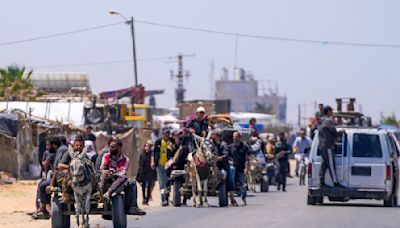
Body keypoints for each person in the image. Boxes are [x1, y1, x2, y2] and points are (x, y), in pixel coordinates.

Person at [99, 138, 146, 215]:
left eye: (112, 147)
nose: (110, 148)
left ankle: (132, 207)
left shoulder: (125, 159)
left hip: (118, 182)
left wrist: (113, 173)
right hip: (107, 180)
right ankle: (100, 194)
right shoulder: (106, 155)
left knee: (129, 180)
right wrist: (105, 171)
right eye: (110, 146)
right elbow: (102, 168)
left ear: (119, 148)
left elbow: (122, 172)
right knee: (104, 174)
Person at [318, 106, 344, 188]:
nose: (332, 112)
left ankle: (321, 182)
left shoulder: (321, 121)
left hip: (322, 146)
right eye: (331, 111)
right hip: (328, 146)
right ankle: (335, 183)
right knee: (331, 164)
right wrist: (342, 132)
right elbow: (335, 132)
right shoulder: (328, 120)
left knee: (324, 164)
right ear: (328, 111)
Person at [31, 137, 56, 220]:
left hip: (51, 175)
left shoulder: (53, 153)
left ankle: (43, 208)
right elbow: (44, 163)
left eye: (48, 145)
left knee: (42, 186)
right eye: (46, 145)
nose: (47, 147)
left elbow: (46, 163)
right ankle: (40, 206)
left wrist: (46, 173)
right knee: (40, 185)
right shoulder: (46, 153)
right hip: (48, 174)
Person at [153, 128, 176, 206]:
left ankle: (167, 198)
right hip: (160, 165)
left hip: (169, 165)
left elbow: (174, 151)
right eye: (165, 133)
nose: (167, 135)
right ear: (162, 134)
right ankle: (163, 199)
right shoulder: (158, 142)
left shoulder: (172, 141)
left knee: (168, 182)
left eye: (168, 133)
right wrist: (154, 162)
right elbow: (155, 152)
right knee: (162, 183)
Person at [227, 131, 249, 206]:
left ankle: (243, 199)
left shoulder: (244, 146)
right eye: (233, 137)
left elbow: (246, 158)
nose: (234, 138)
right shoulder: (230, 147)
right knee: (232, 184)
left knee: (243, 184)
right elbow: (228, 157)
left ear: (239, 137)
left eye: (236, 137)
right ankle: (232, 199)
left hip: (241, 168)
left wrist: (246, 168)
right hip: (233, 169)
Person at [137, 140, 156, 205]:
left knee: (149, 186)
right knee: (143, 187)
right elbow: (140, 164)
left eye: (149, 146)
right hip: (143, 172)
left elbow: (154, 163)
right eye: (146, 146)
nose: (147, 147)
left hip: (150, 172)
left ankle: (147, 200)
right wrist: (140, 173)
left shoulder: (152, 154)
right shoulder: (142, 154)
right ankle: (143, 198)